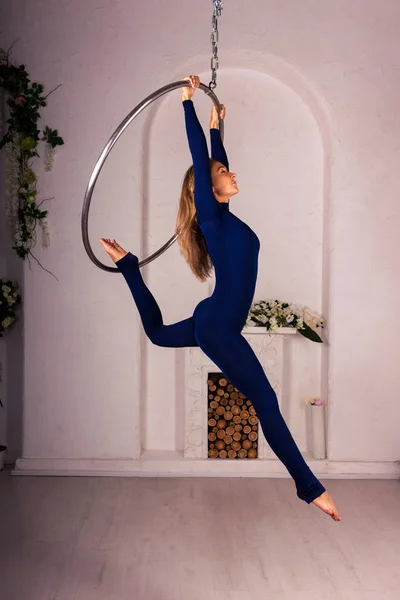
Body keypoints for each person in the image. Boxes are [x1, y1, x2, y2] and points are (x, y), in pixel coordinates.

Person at [99, 75, 341, 522]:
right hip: (218, 326)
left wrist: (215, 128)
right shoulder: (211, 218)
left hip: (215, 322)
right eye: (224, 173)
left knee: (156, 335)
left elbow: (210, 161)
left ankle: (129, 265)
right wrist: (186, 103)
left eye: (227, 169)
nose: (232, 172)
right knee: (265, 402)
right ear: (206, 193)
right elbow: (201, 162)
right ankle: (310, 488)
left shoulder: (223, 216)